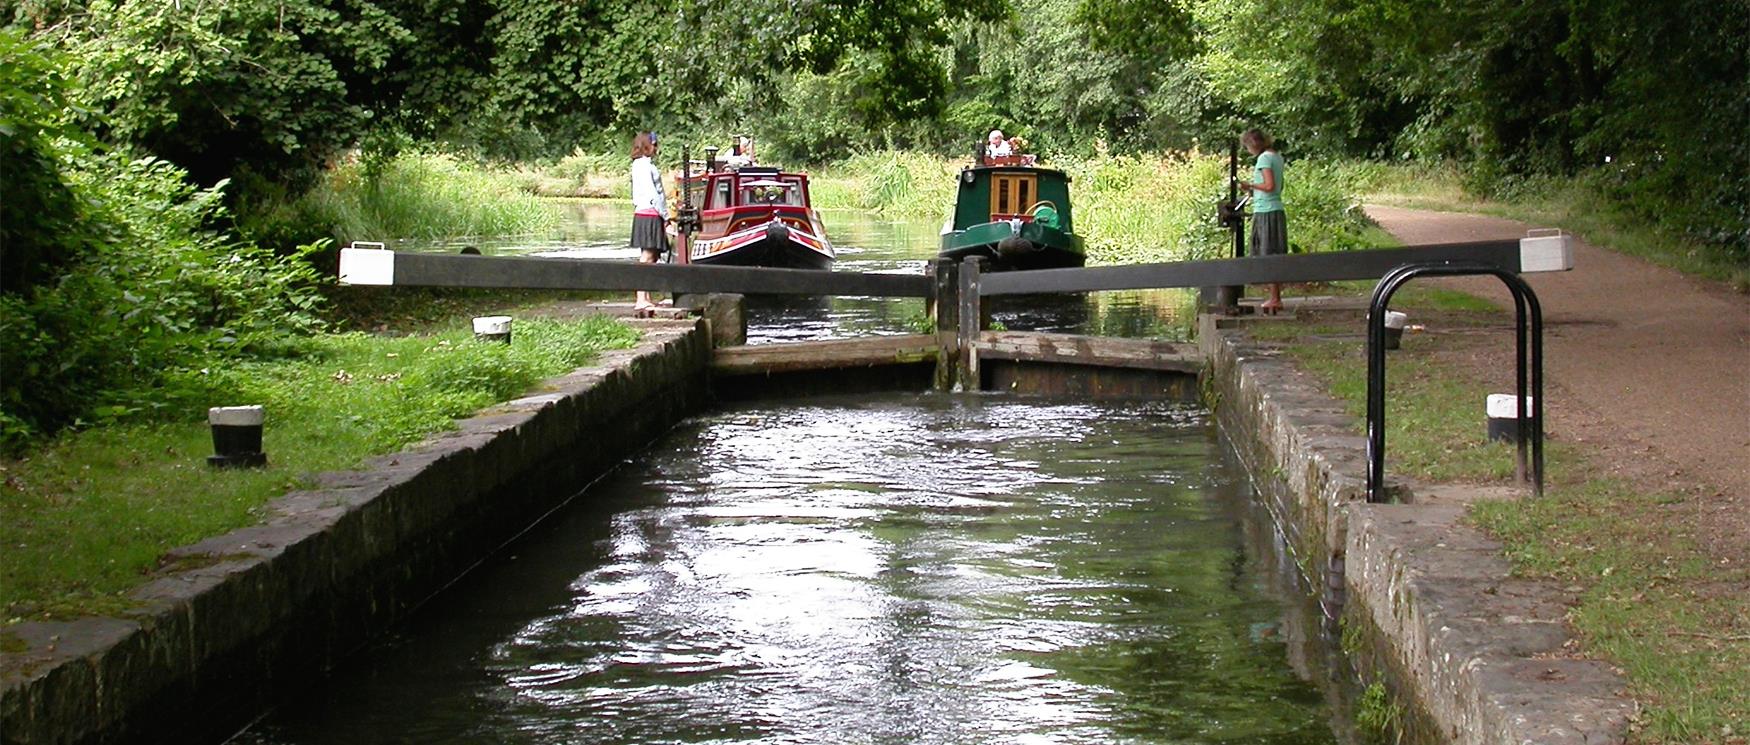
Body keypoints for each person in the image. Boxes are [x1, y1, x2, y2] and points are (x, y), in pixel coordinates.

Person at [1239, 128, 1287, 314]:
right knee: (1274, 252)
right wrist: (1254, 190)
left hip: (1266, 211)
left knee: (1268, 253)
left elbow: (1269, 185)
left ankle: (1275, 298)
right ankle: (1275, 297)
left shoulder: (1264, 159)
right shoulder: (1276, 157)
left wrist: (1249, 185)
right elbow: (1278, 186)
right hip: (1275, 207)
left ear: (1253, 144)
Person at [628, 131, 669, 312]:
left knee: (651, 256)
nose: (656, 148)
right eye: (654, 144)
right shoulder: (644, 166)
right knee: (647, 255)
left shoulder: (639, 165)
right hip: (650, 213)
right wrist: (665, 215)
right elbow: (653, 194)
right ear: (647, 144)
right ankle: (640, 298)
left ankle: (645, 297)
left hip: (644, 212)